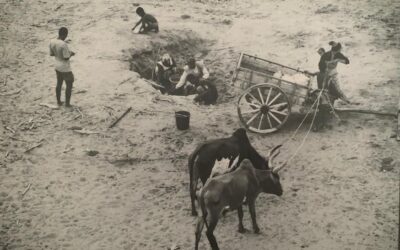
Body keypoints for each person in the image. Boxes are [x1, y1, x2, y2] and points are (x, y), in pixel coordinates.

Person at [49, 27, 75, 107]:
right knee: (69, 84)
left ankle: (59, 101)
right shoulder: (63, 44)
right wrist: (71, 53)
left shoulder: (52, 41)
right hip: (65, 67)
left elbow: (51, 54)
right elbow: (66, 57)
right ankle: (67, 103)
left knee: (59, 83)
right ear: (65, 34)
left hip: (57, 65)